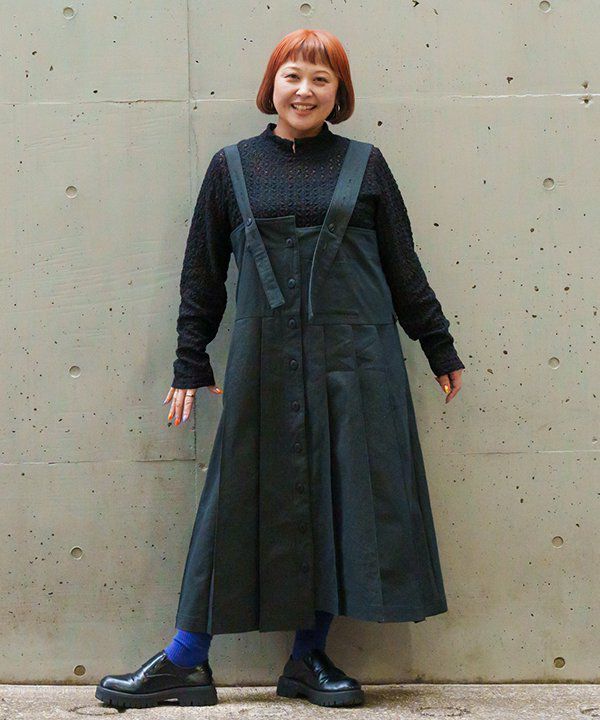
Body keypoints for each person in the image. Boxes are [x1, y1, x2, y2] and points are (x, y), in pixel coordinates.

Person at [96, 27, 464, 710]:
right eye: (294, 75)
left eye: (321, 79)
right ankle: (186, 660)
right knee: (233, 503)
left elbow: (401, 263)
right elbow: (202, 273)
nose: (305, 90)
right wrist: (189, 360)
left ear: (338, 93)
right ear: (273, 85)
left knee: (339, 502)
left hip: (356, 363)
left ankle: (306, 659)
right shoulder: (231, 168)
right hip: (263, 363)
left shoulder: (366, 165)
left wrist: (437, 343)